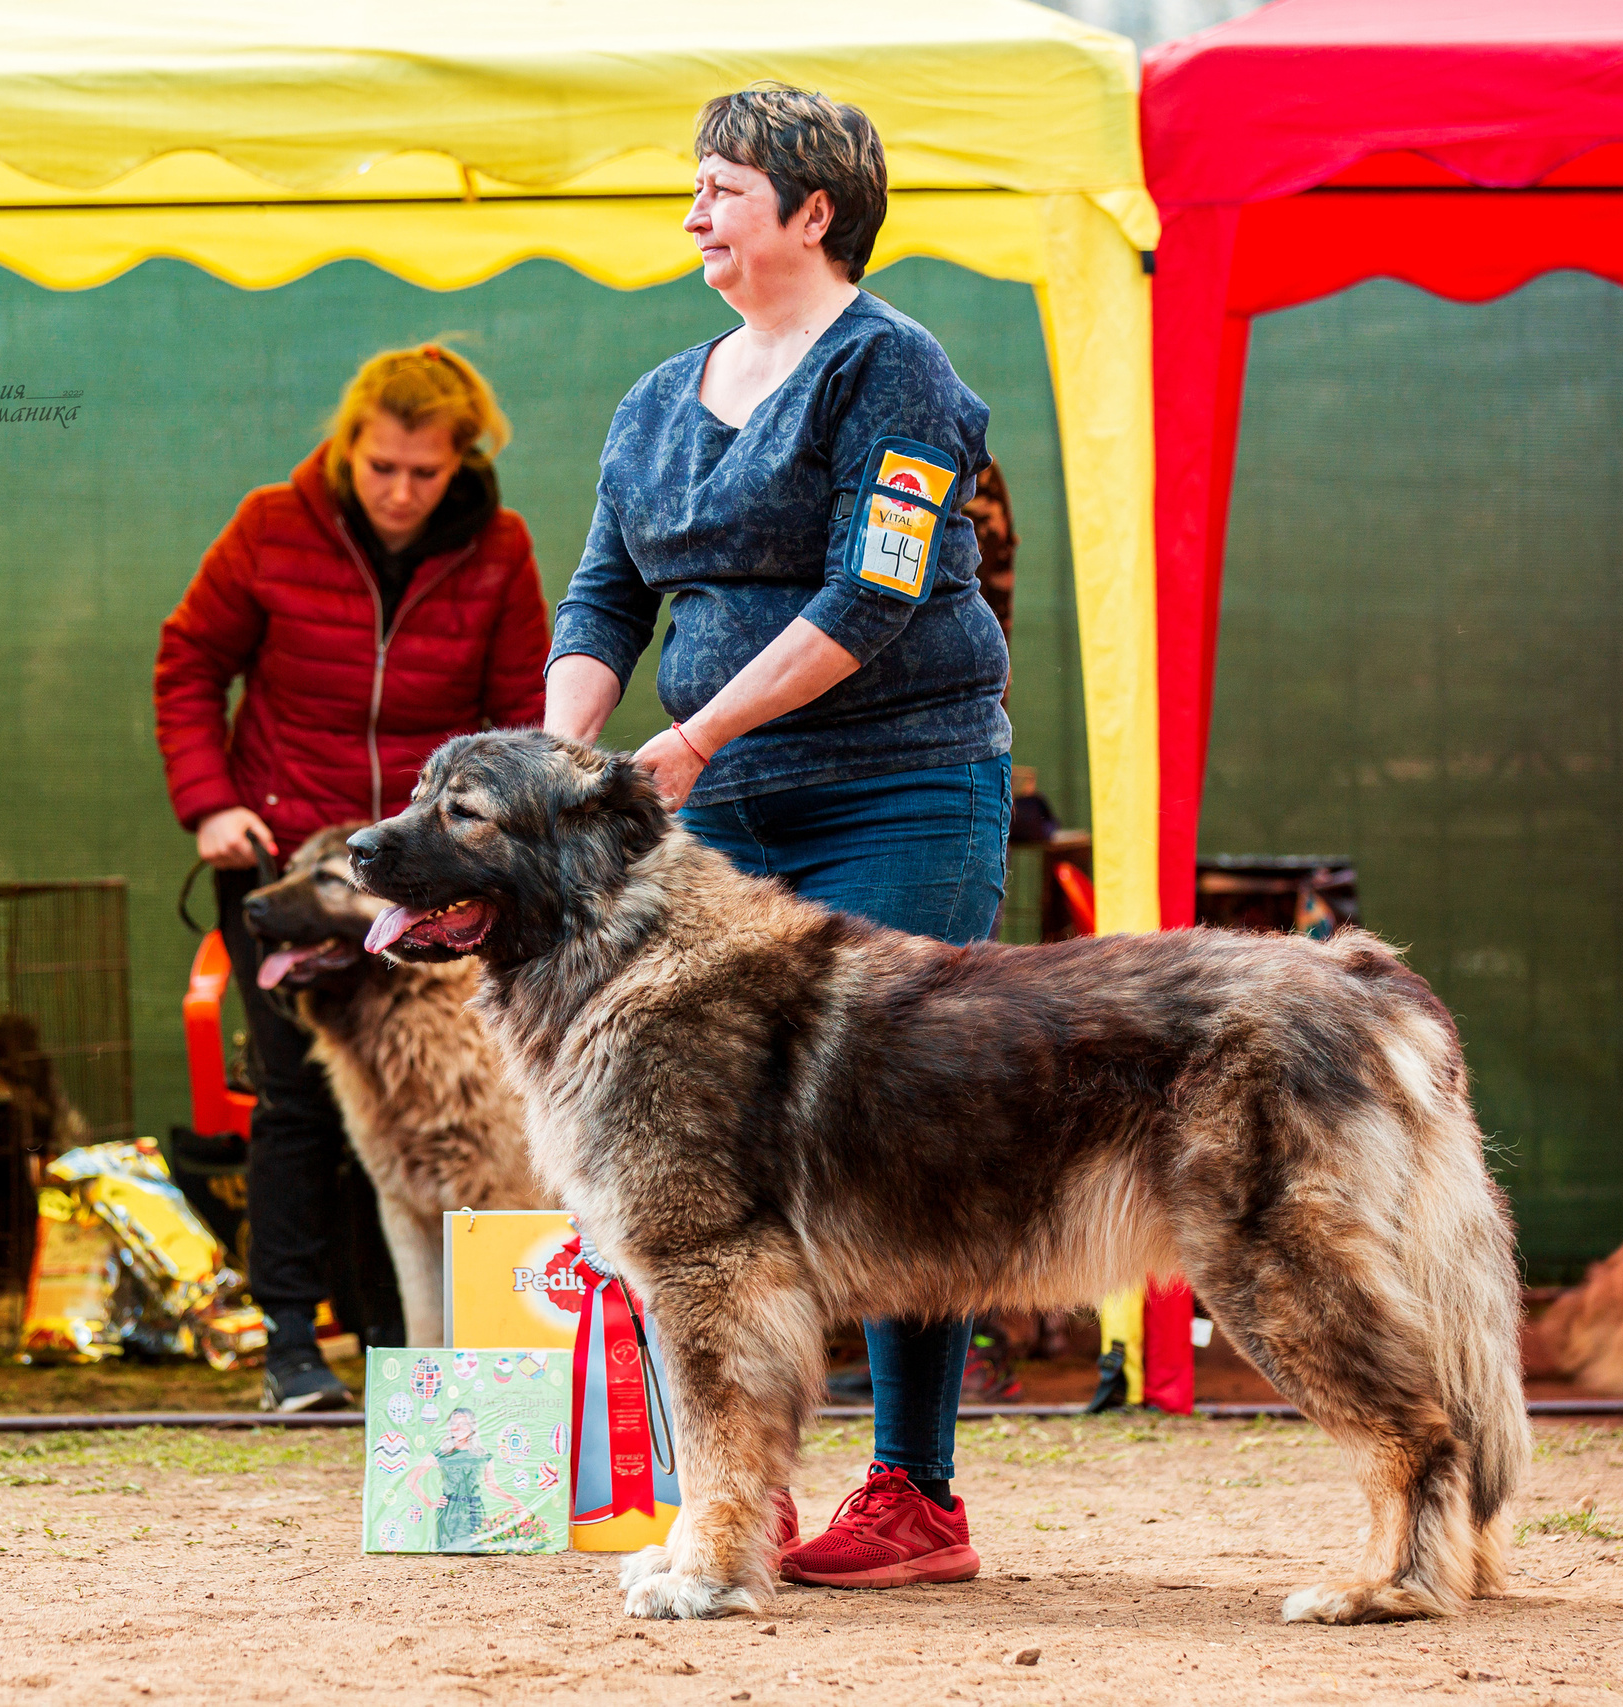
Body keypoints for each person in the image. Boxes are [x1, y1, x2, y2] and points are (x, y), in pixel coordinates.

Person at [544, 85, 1011, 1590]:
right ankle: (736, 1490)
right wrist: (566, 762)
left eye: (723, 186)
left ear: (815, 213)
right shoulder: (656, 400)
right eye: (695, 186)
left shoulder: (900, 372)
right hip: (720, 808)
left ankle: (917, 1492)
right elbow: (606, 596)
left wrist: (687, 741)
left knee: (901, 1117)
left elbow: (873, 599)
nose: (694, 213)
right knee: (698, 1149)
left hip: (904, 787)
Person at [155, 343, 551, 1412]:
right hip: (290, 856)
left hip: (431, 879)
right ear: (348, 446)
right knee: (292, 1100)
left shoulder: (498, 550)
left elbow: (523, 713)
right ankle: (292, 1344)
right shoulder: (269, 526)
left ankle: (426, 1359)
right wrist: (211, 804)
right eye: (380, 467)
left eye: (424, 474)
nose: (399, 492)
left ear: (460, 461)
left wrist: (492, 858)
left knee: (454, 1115)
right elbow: (190, 660)